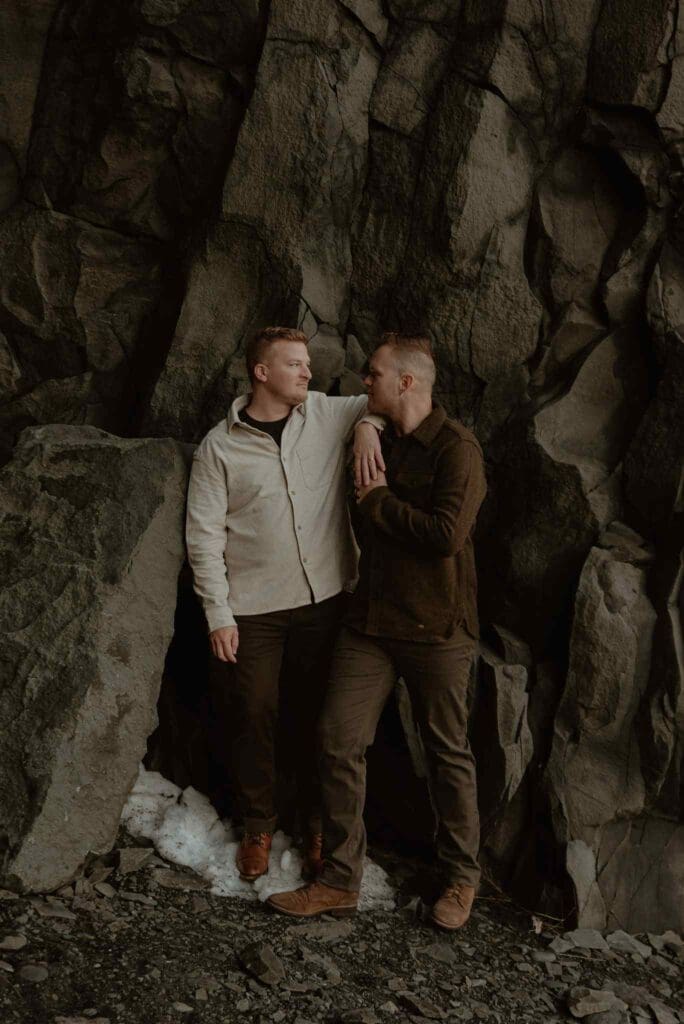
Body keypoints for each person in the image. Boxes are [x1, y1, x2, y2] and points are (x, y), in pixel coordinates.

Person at [268, 331, 487, 929]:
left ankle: (462, 881)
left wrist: (378, 500)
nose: (365, 381)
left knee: (448, 755)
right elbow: (329, 408)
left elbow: (446, 536)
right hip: (370, 623)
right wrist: (366, 423)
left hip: (439, 628)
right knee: (337, 739)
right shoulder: (379, 428)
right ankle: (339, 880)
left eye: (375, 374)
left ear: (407, 382)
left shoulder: (457, 449)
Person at [185, 326, 384, 882]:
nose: (307, 372)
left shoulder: (325, 415)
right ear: (261, 372)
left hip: (326, 600)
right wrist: (218, 615)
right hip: (252, 609)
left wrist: (367, 427)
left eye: (306, 364)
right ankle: (258, 824)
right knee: (253, 714)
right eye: (294, 364)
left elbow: (392, 399)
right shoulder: (218, 447)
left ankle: (314, 824)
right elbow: (204, 537)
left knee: (318, 718)